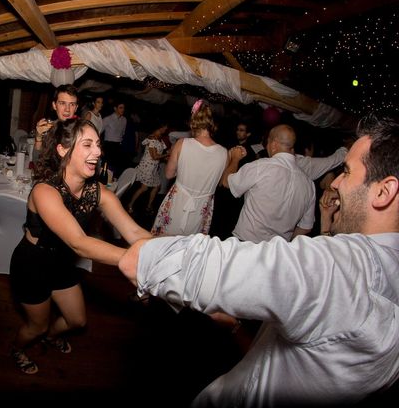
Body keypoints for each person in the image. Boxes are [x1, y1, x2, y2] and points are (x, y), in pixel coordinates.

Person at [118, 112, 399, 407]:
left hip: (246, 261)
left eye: (347, 171)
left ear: (384, 191)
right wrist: (324, 226)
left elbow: (228, 186)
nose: (337, 182)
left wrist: (148, 254)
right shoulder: (306, 186)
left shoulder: (335, 265)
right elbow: (303, 234)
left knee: (194, 344)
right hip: (276, 296)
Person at [9, 118, 151, 374]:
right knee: (36, 326)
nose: (97, 151)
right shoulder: (45, 191)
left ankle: (52, 337)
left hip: (61, 264)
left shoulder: (98, 192)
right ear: (63, 150)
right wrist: (136, 259)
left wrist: (174, 249)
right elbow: (79, 243)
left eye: (97, 145)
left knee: (77, 320)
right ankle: (18, 348)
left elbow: (134, 231)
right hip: (33, 265)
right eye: (87, 145)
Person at [221, 124, 315, 242]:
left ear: (274, 144)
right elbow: (305, 228)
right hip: (278, 253)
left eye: (268, 142)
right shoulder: (309, 184)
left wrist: (235, 159)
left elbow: (226, 182)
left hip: (247, 245)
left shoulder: (260, 166)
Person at [151, 99, 227, 236]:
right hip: (201, 209)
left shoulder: (182, 143)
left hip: (178, 202)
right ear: (212, 124)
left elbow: (168, 174)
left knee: (163, 244)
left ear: (193, 121)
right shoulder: (223, 153)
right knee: (190, 250)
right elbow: (220, 182)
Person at [126, 121, 169, 214]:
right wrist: (167, 154)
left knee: (157, 186)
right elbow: (154, 156)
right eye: (165, 127)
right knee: (144, 188)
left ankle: (149, 205)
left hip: (154, 167)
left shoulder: (159, 138)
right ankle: (130, 204)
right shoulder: (152, 138)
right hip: (147, 167)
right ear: (160, 127)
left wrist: (168, 157)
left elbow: (161, 154)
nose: (166, 129)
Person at [33, 84, 79, 153]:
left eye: (71, 104)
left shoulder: (81, 131)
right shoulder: (51, 129)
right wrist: (39, 137)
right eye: (62, 103)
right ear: (54, 105)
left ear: (76, 108)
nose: (67, 109)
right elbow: (37, 160)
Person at [101, 101, 127, 178]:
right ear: (115, 108)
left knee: (116, 168)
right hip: (108, 145)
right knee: (106, 167)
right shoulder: (107, 119)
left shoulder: (124, 120)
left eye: (123, 108)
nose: (123, 110)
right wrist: (100, 147)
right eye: (120, 108)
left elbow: (123, 133)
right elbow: (98, 132)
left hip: (118, 145)